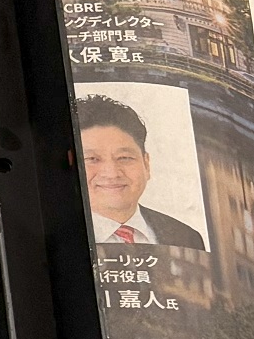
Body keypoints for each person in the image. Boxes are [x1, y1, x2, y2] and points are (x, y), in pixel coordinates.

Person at [79, 94, 208, 250]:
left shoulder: (186, 237)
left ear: (146, 164)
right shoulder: (51, 239)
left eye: (124, 157)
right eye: (92, 159)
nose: (112, 173)